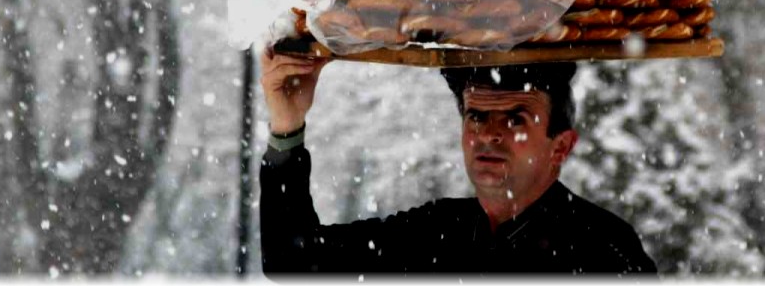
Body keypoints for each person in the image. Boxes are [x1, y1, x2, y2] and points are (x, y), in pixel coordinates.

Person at [258, 48, 657, 275]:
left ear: (561, 147)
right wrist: (287, 128)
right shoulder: (437, 232)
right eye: (476, 116)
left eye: (515, 119)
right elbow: (294, 261)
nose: (488, 135)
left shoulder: (603, 249)